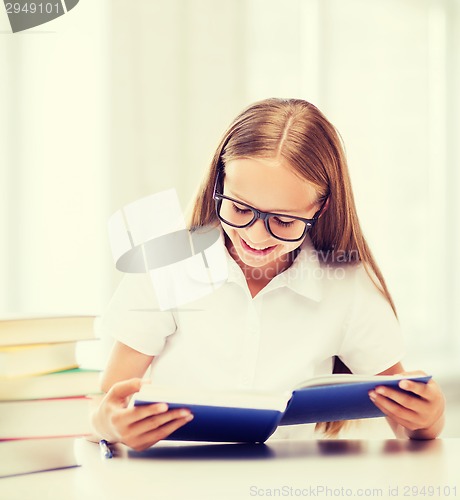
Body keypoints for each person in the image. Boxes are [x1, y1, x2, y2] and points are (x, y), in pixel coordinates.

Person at [92, 98, 445, 451]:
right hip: (176, 479)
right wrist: (111, 424)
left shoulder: (348, 284)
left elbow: (406, 421)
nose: (256, 236)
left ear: (321, 208)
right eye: (240, 208)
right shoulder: (168, 263)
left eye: (284, 220)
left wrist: (428, 419)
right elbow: (102, 408)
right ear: (219, 183)